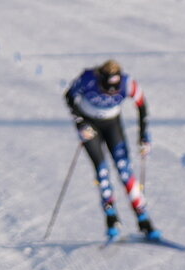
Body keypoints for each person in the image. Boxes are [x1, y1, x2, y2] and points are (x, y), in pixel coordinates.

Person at [64, 59, 157, 243]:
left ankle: (143, 219)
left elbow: (142, 106)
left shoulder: (128, 83)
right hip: (89, 124)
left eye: (114, 89)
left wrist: (144, 136)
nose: (111, 92)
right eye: (106, 87)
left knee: (125, 170)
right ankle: (111, 218)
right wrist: (81, 122)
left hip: (112, 124)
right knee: (102, 170)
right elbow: (69, 97)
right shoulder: (88, 78)